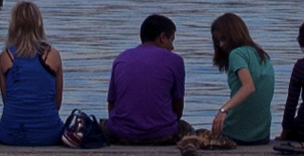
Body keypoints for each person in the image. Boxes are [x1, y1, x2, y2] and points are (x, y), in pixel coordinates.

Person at [102, 14, 188, 145]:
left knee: (101, 125)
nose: (172, 47)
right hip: (162, 134)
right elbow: (178, 106)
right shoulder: (175, 60)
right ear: (163, 37)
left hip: (121, 134)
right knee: (187, 129)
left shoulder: (121, 58)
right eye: (172, 40)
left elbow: (111, 103)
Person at [0, 0, 64, 146]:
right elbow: (57, 104)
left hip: (10, 133)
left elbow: (7, 101)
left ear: (13, 26)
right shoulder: (53, 55)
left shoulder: (5, 57)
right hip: (49, 133)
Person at [206, 12, 274, 146]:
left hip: (237, 134)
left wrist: (223, 111)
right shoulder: (263, 56)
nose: (221, 45)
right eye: (217, 41)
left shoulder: (236, 54)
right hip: (262, 135)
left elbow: (249, 87)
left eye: (223, 39)